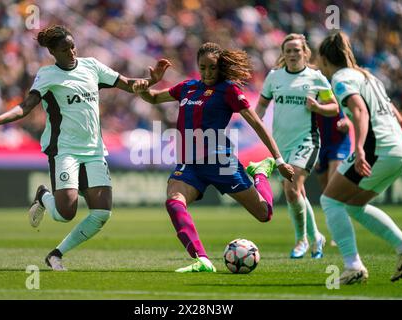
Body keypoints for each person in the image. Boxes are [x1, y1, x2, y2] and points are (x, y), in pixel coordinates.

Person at [0, 25, 171, 271]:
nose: (72, 52)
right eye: (65, 49)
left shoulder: (92, 66)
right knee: (66, 213)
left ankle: (56, 254)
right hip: (65, 149)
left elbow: (129, 84)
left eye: (73, 46)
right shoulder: (47, 75)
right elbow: (26, 106)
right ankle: (45, 197)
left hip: (95, 150)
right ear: (53, 52)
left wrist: (150, 80)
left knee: (101, 213)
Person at [132, 42, 294, 272]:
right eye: (203, 67)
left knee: (264, 214)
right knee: (174, 201)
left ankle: (260, 172)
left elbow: (257, 124)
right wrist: (148, 84)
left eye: (212, 68)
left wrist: (278, 160)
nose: (207, 73)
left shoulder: (229, 90)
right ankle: (201, 260)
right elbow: (154, 98)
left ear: (221, 67)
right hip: (190, 164)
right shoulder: (187, 87)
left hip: (221, 163)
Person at [317, 31, 402, 284]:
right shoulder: (368, 76)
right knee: (353, 205)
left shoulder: (340, 77)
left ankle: (353, 266)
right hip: (399, 149)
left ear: (325, 60)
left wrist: (359, 148)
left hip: (377, 150)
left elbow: (359, 110)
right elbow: (397, 117)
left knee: (329, 200)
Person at [256, 34, 339, 259]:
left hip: (307, 141)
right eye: (288, 50)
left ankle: (301, 240)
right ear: (283, 54)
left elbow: (334, 107)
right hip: (280, 145)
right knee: (297, 193)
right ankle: (317, 237)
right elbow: (262, 105)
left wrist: (318, 107)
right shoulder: (274, 77)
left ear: (305, 53)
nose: (292, 54)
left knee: (292, 190)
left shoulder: (315, 78)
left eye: (296, 50)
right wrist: (256, 121)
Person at [315, 111, 352, 247]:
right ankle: (338, 228)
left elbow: (354, 110)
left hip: (338, 143)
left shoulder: (338, 91)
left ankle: (340, 233)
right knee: (326, 192)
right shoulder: (311, 91)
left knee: (333, 191)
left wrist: (348, 121)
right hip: (319, 144)